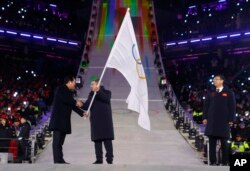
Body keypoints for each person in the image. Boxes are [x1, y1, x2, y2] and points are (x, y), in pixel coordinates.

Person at [49, 75, 84, 164]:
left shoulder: (68, 92)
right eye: (74, 82)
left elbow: (71, 104)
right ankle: (57, 161)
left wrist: (82, 113)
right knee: (56, 142)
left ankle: (60, 159)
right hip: (58, 121)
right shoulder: (60, 89)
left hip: (64, 121)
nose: (75, 84)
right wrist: (76, 102)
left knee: (60, 143)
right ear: (69, 82)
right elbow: (67, 100)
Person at [202, 74, 236, 166]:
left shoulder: (229, 92)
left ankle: (225, 162)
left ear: (222, 81)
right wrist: (204, 117)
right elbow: (206, 106)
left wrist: (231, 119)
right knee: (212, 143)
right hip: (212, 122)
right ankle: (213, 162)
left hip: (224, 122)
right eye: (214, 80)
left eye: (216, 79)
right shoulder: (211, 92)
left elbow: (232, 107)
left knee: (224, 144)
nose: (214, 81)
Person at [83, 78, 114, 164]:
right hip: (96, 121)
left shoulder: (107, 92)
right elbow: (86, 106)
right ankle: (99, 159)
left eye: (92, 84)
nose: (91, 86)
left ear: (98, 84)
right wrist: (80, 104)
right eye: (91, 84)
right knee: (97, 141)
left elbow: (106, 99)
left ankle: (109, 159)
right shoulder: (91, 94)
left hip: (105, 121)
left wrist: (98, 91)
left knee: (107, 140)